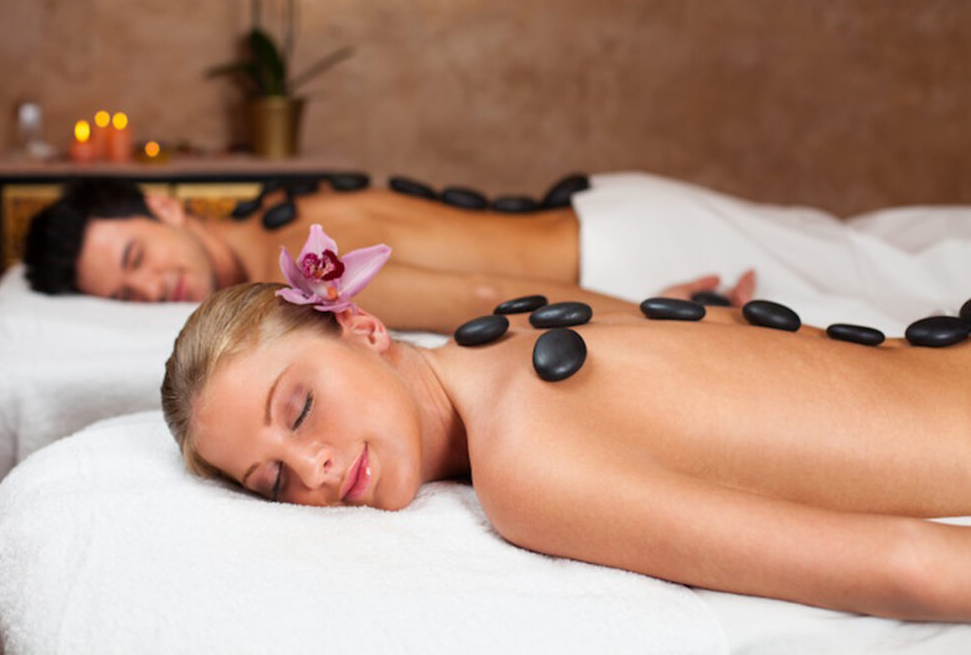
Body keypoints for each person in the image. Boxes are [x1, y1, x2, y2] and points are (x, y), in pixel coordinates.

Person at [161, 231, 971, 622]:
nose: (314, 469)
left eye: (299, 410)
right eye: (273, 481)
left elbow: (907, 568)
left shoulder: (527, 465)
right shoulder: (508, 334)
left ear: (364, 327)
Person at [22, 177, 755, 333]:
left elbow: (481, 298)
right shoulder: (276, 207)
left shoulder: (299, 270)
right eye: (125, 296)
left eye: (135, 259)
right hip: (617, 210)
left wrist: (664, 316)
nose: (151, 289)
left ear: (162, 206)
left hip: (623, 254)